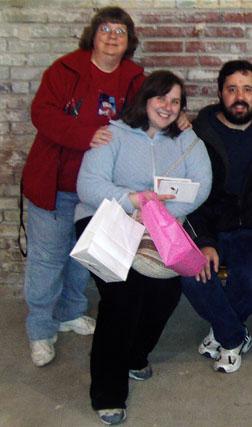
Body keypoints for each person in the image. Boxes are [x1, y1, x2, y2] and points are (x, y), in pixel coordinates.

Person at [75, 70, 211, 425]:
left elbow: (202, 184)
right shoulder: (113, 134)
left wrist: (157, 214)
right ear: (144, 98)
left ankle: (135, 354)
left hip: (155, 224)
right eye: (161, 98)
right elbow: (87, 185)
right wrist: (131, 201)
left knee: (166, 293)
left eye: (175, 101)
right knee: (123, 297)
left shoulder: (182, 138)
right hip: (104, 218)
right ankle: (107, 391)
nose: (167, 107)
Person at [20, 7, 146, 368]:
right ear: (93, 34)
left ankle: (71, 311)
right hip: (56, 182)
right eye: (105, 29)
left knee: (83, 253)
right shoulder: (65, 70)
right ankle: (41, 329)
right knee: (47, 258)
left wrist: (179, 116)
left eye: (120, 31)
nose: (111, 36)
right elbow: (41, 114)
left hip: (101, 187)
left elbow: (151, 111)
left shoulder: (134, 77)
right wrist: (85, 135)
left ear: (129, 41)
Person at [181, 60, 252, 374]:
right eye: (231, 89)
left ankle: (222, 332)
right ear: (219, 93)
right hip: (210, 224)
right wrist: (204, 241)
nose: (239, 96)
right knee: (192, 276)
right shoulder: (198, 131)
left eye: (247, 89)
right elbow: (188, 191)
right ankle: (233, 337)